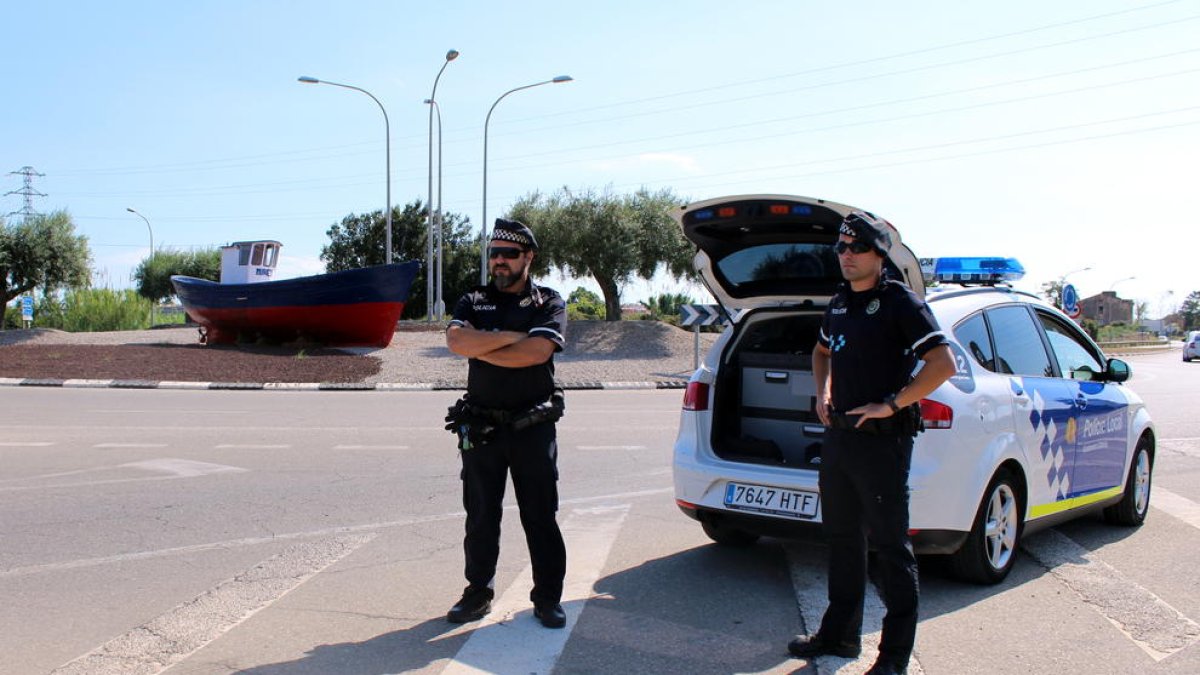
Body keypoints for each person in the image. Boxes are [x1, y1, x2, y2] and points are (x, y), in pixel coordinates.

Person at [787, 211, 956, 675]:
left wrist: (894, 403)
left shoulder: (901, 302)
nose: (845, 255)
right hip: (839, 438)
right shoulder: (840, 302)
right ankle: (838, 637)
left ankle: (894, 657)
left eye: (856, 248)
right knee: (841, 540)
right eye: (840, 248)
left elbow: (943, 364)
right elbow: (822, 352)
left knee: (890, 548)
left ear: (880, 255)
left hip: (883, 445)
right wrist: (822, 391)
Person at [443, 218, 569, 629]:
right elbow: (458, 342)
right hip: (481, 428)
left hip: (533, 426)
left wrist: (487, 343)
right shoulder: (473, 299)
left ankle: (547, 597)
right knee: (480, 514)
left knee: (540, 515)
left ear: (528, 257)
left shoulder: (548, 301)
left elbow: (536, 353)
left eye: (509, 254)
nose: (499, 261)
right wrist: (514, 336)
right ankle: (478, 591)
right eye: (494, 253)